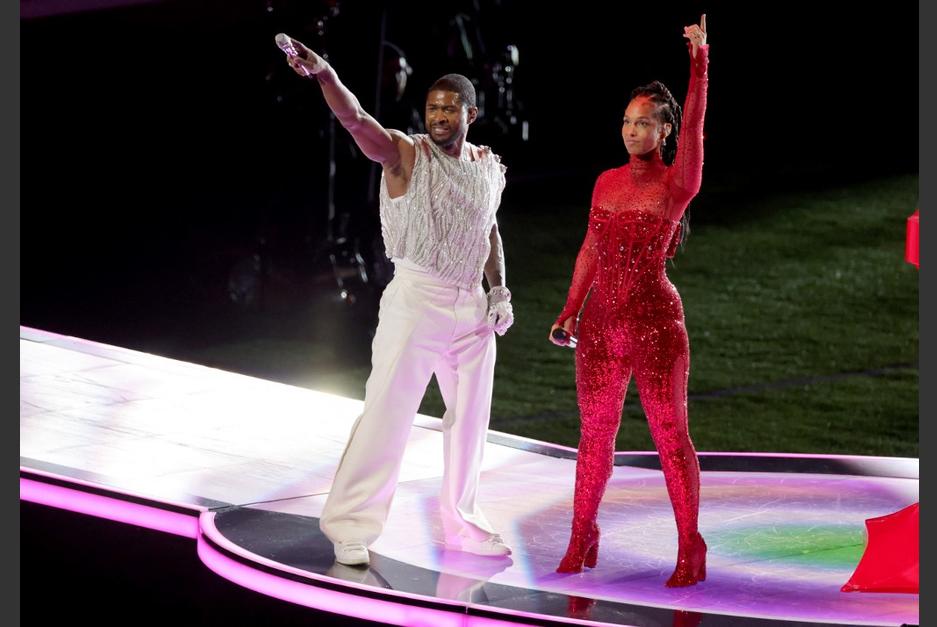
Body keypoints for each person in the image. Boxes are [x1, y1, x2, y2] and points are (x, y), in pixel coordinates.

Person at [278, 35, 514, 567]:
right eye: (432, 107)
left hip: (472, 309)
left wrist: (498, 290)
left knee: (471, 419)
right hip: (417, 298)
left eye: (450, 108)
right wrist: (324, 74)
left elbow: (489, 231)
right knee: (388, 414)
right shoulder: (406, 154)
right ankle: (351, 525)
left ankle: (464, 522)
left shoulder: (485, 165)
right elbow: (357, 120)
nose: (439, 116)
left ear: (471, 113)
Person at [549, 15, 709, 587]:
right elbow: (591, 245)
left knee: (670, 435)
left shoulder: (676, 185)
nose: (632, 130)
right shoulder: (605, 182)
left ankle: (690, 543)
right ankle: (580, 535)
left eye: (644, 123)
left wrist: (699, 62)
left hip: (657, 325)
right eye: (626, 121)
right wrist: (570, 307)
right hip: (598, 328)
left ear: (663, 131)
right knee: (593, 438)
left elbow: (694, 130)